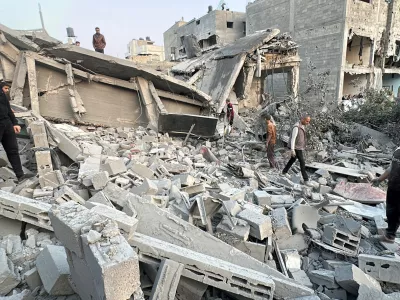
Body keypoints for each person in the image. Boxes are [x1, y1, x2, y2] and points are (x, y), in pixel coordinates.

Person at [0, 83, 32, 182]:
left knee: (13, 150)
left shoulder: (2, 94)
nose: (7, 90)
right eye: (6, 88)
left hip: (7, 124)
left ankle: (20, 175)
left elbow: (9, 110)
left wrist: (15, 123)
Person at [372, 147, 400, 243]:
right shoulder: (397, 150)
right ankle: (389, 236)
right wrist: (380, 179)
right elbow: (391, 167)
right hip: (393, 187)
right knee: (391, 213)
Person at [282, 115, 311, 185]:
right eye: (307, 121)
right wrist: (292, 150)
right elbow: (293, 139)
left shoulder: (302, 126)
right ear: (303, 119)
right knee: (302, 162)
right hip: (296, 148)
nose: (308, 123)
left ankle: (284, 172)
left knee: (292, 159)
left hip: (299, 147)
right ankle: (306, 179)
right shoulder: (296, 127)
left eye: (309, 121)